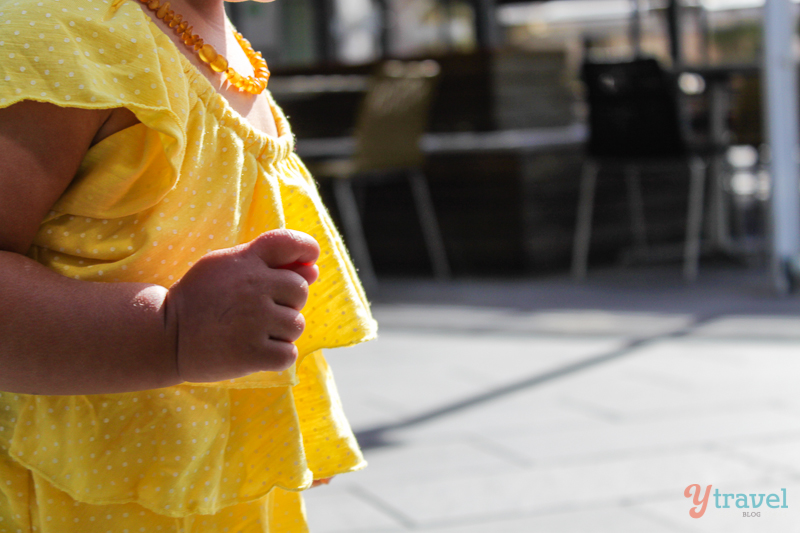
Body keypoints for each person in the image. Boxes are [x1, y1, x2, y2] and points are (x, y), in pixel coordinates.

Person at [0, 0, 378, 529]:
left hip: (215, 489)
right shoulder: (60, 35)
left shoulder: (220, 46)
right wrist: (168, 332)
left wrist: (285, 428)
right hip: (78, 500)